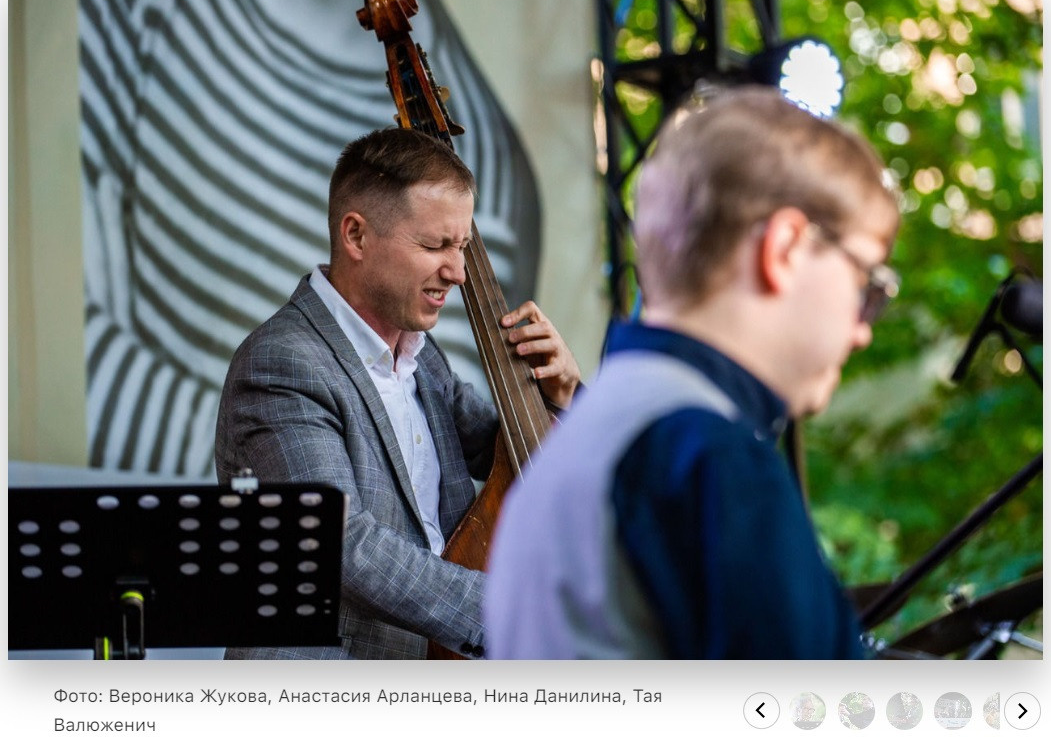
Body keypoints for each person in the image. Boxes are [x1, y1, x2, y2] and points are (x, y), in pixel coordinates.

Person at [484, 86, 901, 659]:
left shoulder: (588, 433)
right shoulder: (705, 455)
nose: (862, 328)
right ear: (785, 248)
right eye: (866, 283)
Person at [215, 127, 581, 659]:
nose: (458, 272)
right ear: (356, 236)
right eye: (435, 245)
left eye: (462, 246)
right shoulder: (283, 364)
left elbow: (508, 447)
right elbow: (341, 544)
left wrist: (563, 394)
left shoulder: (420, 357)